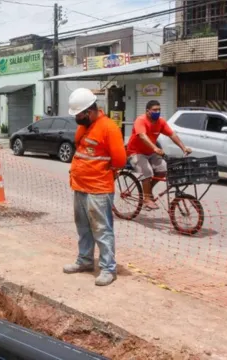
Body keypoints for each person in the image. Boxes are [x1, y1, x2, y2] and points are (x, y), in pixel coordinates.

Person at [63, 88, 127, 286]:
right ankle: (85, 261)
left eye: (79, 115)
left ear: (89, 112)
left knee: (101, 229)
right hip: (80, 186)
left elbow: (120, 160)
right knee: (83, 227)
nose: (77, 119)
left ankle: (108, 269)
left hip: (98, 189)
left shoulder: (109, 128)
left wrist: (101, 173)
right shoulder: (84, 127)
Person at [126, 100, 191, 210]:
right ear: (148, 111)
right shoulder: (141, 120)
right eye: (155, 110)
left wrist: (183, 147)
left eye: (159, 109)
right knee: (148, 172)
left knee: (163, 169)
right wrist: (155, 148)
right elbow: (142, 136)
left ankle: (148, 190)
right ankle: (146, 199)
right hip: (135, 152)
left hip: (151, 152)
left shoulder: (160, 122)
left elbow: (172, 134)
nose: (158, 112)